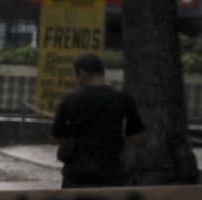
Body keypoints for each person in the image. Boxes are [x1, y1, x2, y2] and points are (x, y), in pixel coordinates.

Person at [51, 53, 145, 188]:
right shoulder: (123, 98)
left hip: (77, 174)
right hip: (112, 171)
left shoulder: (69, 99)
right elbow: (135, 136)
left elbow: (56, 137)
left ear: (82, 72)